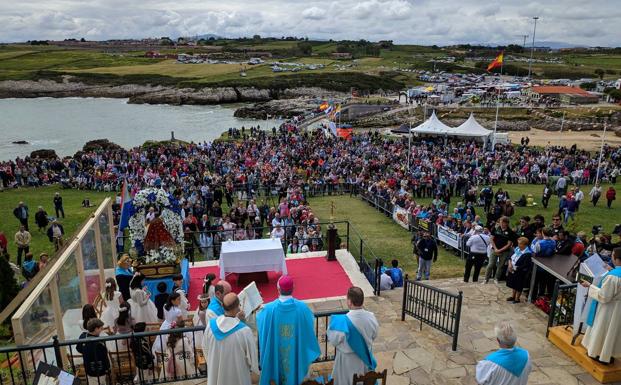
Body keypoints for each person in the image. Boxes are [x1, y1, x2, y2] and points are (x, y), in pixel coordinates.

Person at [257, 275, 320, 385]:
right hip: (294, 352)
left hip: (276, 351)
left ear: (278, 289)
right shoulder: (302, 308)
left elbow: (258, 321)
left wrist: (258, 310)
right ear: (293, 288)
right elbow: (309, 325)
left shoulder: (268, 309)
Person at [202, 292, 259, 385]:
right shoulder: (244, 331)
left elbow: (205, 348)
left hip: (216, 375)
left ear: (222, 306)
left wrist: (214, 363)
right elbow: (252, 358)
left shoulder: (210, 326)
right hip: (237, 376)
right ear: (238, 306)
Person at [328, 287, 379, 385]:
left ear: (350, 302)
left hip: (346, 363)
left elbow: (333, 340)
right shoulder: (371, 317)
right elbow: (374, 335)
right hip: (363, 360)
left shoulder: (341, 322)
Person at [580, 247, 621, 364]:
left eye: (612, 255)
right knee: (614, 332)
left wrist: (590, 286)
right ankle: (609, 354)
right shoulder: (615, 273)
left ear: (616, 259)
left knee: (603, 330)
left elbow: (604, 296)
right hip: (619, 309)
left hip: (608, 309)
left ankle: (598, 353)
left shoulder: (612, 277)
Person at [77, 318, 111, 385]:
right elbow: (104, 357)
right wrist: (108, 368)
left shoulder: (83, 337)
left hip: (88, 369)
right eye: (101, 328)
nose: (101, 330)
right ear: (96, 329)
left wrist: (85, 352)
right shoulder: (99, 343)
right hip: (100, 370)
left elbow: (78, 348)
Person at [485, 217, 516, 284]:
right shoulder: (495, 229)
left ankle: (496, 278)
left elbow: (509, 244)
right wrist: (496, 249)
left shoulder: (510, 232)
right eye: (500, 222)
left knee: (500, 266)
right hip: (494, 250)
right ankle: (486, 279)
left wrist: (500, 250)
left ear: (506, 223)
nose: (501, 223)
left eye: (503, 222)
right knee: (490, 265)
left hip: (504, 251)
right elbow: (491, 239)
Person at [505, 237, 533, 303]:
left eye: (520, 244)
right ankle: (513, 296)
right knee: (513, 283)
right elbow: (510, 257)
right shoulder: (517, 249)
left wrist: (515, 268)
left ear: (525, 245)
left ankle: (517, 299)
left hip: (520, 272)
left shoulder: (527, 253)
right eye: (518, 243)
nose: (518, 245)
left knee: (518, 285)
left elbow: (525, 265)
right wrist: (510, 264)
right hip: (512, 269)